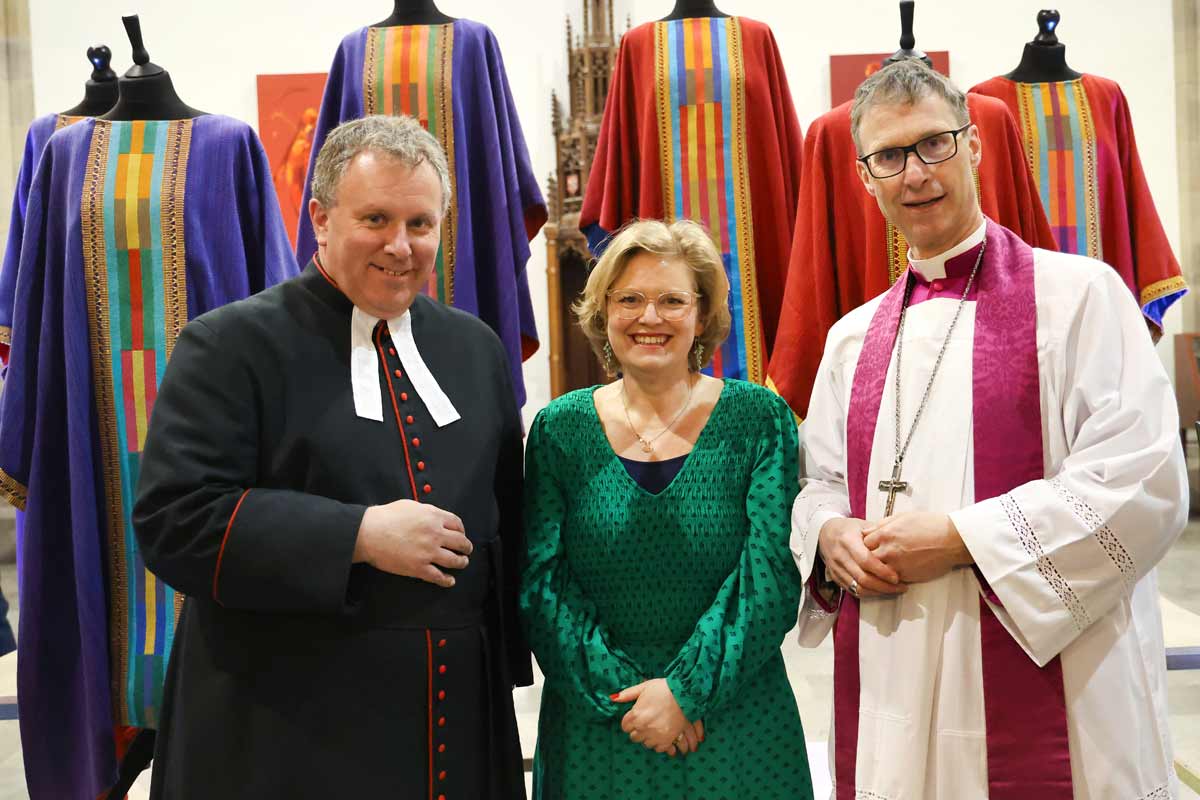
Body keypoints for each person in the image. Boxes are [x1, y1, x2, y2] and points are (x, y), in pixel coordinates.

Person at [791, 58, 1187, 799]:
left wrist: (959, 539)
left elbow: (1142, 479)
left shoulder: (1082, 297)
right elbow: (819, 483)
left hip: (1060, 682)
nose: (915, 173)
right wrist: (828, 536)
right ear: (863, 177)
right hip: (899, 663)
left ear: (973, 146)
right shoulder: (852, 339)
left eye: (934, 143)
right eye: (889, 156)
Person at [133, 115, 531, 798]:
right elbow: (177, 521)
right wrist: (358, 536)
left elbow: (509, 520)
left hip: (452, 720)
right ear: (320, 219)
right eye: (375, 219)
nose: (401, 246)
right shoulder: (229, 347)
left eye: (421, 224)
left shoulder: (475, 349)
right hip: (288, 728)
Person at [520, 219, 813, 799]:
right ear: (604, 313)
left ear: (702, 316)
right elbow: (541, 582)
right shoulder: (560, 428)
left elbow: (771, 575)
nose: (649, 318)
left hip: (735, 718)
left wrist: (685, 693)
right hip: (599, 726)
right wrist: (632, 698)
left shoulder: (758, 420)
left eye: (672, 300)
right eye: (629, 299)